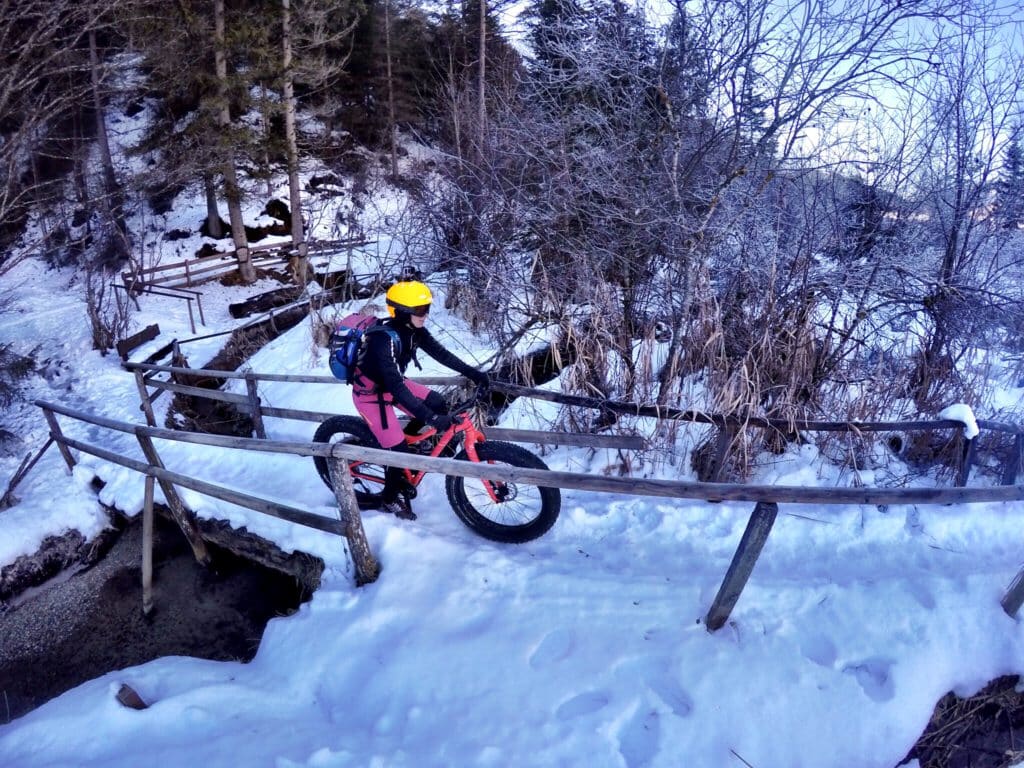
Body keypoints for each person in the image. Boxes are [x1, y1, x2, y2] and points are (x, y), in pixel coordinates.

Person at [351, 280, 490, 520]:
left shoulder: (414, 331)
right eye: (420, 310)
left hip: (393, 384)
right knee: (398, 453)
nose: (425, 315)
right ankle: (388, 499)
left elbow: (442, 354)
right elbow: (396, 387)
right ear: (402, 312)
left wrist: (473, 373)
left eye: (427, 308)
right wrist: (431, 419)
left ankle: (411, 440)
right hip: (371, 395)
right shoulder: (382, 340)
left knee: (437, 402)